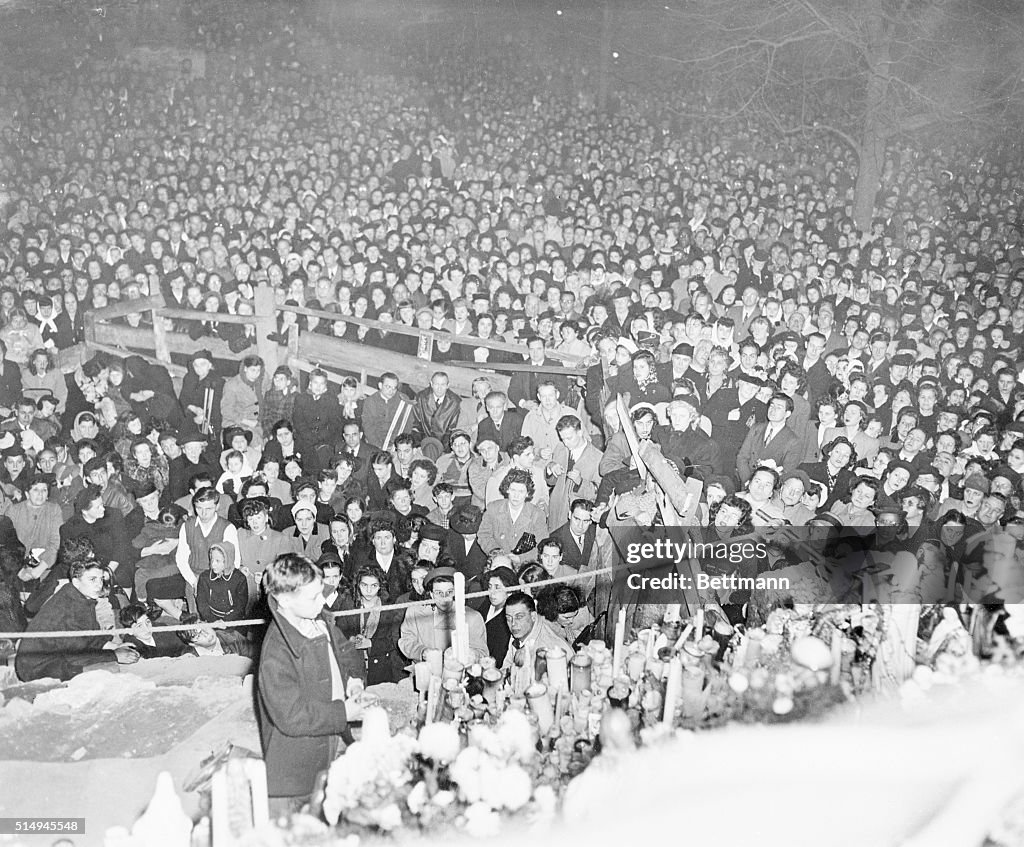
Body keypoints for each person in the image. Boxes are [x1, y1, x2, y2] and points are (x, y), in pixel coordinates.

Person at [257, 553, 366, 808]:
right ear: (284, 599)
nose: (323, 602)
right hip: (297, 765)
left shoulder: (316, 617)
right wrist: (344, 712)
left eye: (322, 593)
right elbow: (291, 716)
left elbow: (346, 651)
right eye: (314, 596)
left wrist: (352, 680)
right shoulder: (276, 653)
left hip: (331, 741)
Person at [15, 559, 139, 682]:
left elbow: (90, 637)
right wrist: (114, 655)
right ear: (76, 582)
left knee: (112, 667)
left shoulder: (81, 597)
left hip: (57, 658)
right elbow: (76, 654)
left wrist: (115, 646)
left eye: (101, 579)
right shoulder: (67, 606)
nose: (99, 585)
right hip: (37, 668)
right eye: (92, 579)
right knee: (109, 670)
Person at [398, 566, 489, 662]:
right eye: (439, 593)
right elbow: (406, 641)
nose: (445, 598)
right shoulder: (415, 613)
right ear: (431, 594)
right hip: (426, 671)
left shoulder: (473, 617)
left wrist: (467, 654)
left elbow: (483, 653)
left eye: (449, 592)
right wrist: (422, 652)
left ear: (456, 592)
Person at [335, 565, 405, 684]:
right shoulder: (349, 604)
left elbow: (394, 640)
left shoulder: (389, 608)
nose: (368, 590)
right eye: (364, 585)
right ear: (358, 585)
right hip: (354, 666)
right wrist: (350, 639)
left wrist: (370, 643)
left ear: (380, 586)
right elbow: (339, 631)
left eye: (373, 586)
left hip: (382, 668)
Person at [500, 590, 574, 694]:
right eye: (508, 618)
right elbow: (506, 667)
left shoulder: (548, 647)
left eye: (519, 617)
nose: (513, 624)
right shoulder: (521, 632)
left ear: (533, 616)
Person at [478, 468, 549, 566]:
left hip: (525, 565)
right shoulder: (493, 508)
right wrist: (497, 553)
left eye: (521, 491)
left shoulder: (537, 514)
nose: (516, 495)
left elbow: (542, 545)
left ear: (528, 493)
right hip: (498, 562)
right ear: (507, 489)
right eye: (513, 490)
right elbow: (483, 535)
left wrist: (521, 558)